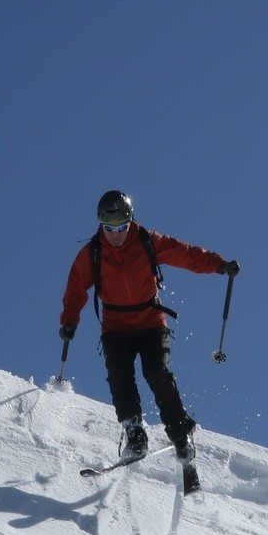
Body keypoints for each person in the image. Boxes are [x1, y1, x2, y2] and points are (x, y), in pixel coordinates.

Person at [58, 190, 238, 463]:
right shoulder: (92, 253)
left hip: (150, 319)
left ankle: (180, 431)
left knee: (156, 371)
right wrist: (69, 321)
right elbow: (75, 290)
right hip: (115, 325)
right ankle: (134, 434)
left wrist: (219, 264)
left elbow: (186, 254)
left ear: (130, 222)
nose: (116, 234)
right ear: (100, 226)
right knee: (119, 375)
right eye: (109, 228)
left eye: (121, 227)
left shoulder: (147, 241)